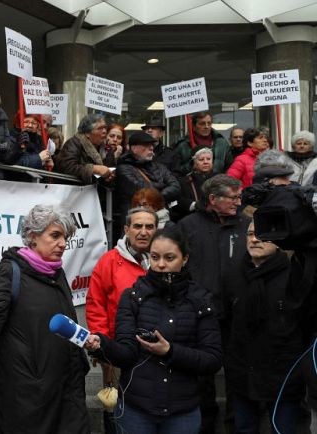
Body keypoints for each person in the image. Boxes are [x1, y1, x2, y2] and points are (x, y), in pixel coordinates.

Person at [0, 205, 89, 433]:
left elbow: (65, 324)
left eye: (65, 238)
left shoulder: (57, 274)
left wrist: (86, 346)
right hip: (24, 400)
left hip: (65, 394)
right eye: (55, 236)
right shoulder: (10, 272)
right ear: (33, 236)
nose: (63, 244)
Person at [83, 229, 223, 434]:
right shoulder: (133, 296)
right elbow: (126, 353)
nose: (161, 264)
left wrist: (170, 351)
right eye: (155, 257)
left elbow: (212, 359)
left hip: (182, 411)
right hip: (137, 410)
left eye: (169, 258)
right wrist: (101, 345)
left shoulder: (200, 300)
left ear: (185, 258)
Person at [174, 174, 249, 433]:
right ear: (213, 198)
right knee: (201, 377)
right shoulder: (187, 225)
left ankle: (235, 426)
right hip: (200, 314)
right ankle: (205, 426)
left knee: (237, 374)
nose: (238, 202)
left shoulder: (246, 224)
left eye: (239, 197)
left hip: (238, 314)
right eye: (233, 197)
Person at [224, 222, 312, 434]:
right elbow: (226, 322)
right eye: (250, 234)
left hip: (284, 378)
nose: (255, 239)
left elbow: (306, 326)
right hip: (242, 375)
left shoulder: (295, 276)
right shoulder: (233, 275)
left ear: (280, 240)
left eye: (263, 235)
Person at [86, 207, 157, 434]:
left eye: (149, 226)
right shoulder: (108, 261)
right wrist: (104, 346)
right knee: (117, 409)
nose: (143, 231)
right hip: (118, 350)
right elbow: (96, 304)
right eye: (137, 226)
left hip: (157, 350)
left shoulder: (164, 260)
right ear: (126, 229)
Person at [114, 132, 180, 239]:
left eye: (152, 145)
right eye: (146, 145)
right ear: (134, 149)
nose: (151, 148)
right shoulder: (123, 169)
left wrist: (156, 193)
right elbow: (144, 191)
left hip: (162, 221)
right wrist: (163, 187)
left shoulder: (159, 166)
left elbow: (176, 187)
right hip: (137, 223)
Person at [56, 114, 115, 184]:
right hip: (75, 189)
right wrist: (93, 169)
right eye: (100, 128)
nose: (104, 131)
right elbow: (66, 167)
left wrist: (109, 176)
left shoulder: (107, 147)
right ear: (87, 133)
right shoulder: (73, 144)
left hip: (98, 189)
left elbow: (110, 169)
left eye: (105, 128)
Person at [171, 147, 215, 222]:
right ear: (194, 162)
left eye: (208, 159)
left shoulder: (220, 179)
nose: (206, 162)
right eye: (201, 159)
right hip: (192, 220)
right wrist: (193, 205)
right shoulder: (183, 181)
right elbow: (173, 203)